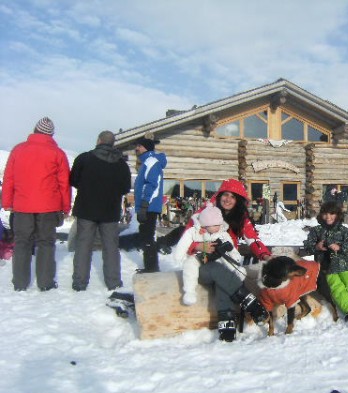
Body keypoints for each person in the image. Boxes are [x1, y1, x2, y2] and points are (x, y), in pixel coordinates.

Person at [174, 203, 268, 342]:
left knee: (222, 279)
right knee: (217, 270)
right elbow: (179, 252)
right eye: (214, 225)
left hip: (221, 270)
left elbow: (235, 256)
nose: (218, 227)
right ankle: (249, 301)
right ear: (205, 224)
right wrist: (198, 247)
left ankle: (227, 323)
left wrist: (224, 251)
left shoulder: (223, 234)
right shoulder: (194, 231)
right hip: (199, 268)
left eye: (219, 224)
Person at [1, 117, 71, 291]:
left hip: (22, 205)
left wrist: (7, 202)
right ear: (51, 134)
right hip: (49, 206)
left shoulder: (18, 150)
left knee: (22, 242)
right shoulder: (58, 154)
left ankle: (20, 283)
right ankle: (46, 283)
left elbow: (9, 178)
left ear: (34, 130)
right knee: (46, 243)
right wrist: (65, 207)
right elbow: (64, 183)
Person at [70, 131, 131, 291]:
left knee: (83, 245)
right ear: (112, 143)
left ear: (98, 141)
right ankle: (114, 282)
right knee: (111, 247)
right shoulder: (121, 164)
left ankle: (80, 282)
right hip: (110, 211)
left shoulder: (84, 158)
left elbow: (73, 180)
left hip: (86, 208)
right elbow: (125, 188)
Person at [188, 178, 272, 263]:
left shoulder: (240, 218)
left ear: (237, 201)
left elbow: (252, 239)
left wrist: (265, 255)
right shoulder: (203, 214)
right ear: (220, 196)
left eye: (233, 197)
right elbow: (184, 238)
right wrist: (198, 246)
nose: (228, 199)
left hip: (230, 262)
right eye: (226, 195)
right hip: (200, 262)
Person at [134, 133, 167, 273]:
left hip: (149, 206)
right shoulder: (147, 161)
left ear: (146, 148)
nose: (136, 148)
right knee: (146, 236)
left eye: (139, 146)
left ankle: (151, 267)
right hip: (147, 205)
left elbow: (153, 184)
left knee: (147, 237)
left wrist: (144, 204)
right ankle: (150, 266)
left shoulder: (151, 161)